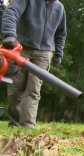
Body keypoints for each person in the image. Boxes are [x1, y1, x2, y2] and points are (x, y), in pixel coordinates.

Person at [1, 0, 67, 129]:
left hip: (44, 52)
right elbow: (11, 13)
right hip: (21, 48)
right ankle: (14, 124)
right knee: (15, 88)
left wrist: (59, 53)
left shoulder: (59, 8)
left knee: (34, 89)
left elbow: (61, 33)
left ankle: (27, 126)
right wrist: (9, 35)